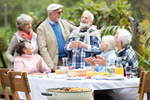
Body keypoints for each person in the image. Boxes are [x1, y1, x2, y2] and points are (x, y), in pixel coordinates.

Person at [37, 3, 76, 71]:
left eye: (61, 12)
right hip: (55, 63)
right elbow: (43, 48)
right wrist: (50, 65)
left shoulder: (64, 23)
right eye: (58, 13)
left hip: (68, 61)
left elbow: (78, 30)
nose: (60, 14)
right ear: (50, 14)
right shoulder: (42, 28)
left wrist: (92, 30)